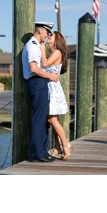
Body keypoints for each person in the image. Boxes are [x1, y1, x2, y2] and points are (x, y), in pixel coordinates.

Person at [21, 21, 58, 162]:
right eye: (47, 33)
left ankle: (42, 151)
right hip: (36, 82)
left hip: (39, 82)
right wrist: (51, 76)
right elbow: (33, 68)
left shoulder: (36, 46)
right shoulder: (32, 46)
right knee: (39, 119)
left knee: (42, 119)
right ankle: (37, 154)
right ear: (41, 31)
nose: (48, 36)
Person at [40, 30, 72, 160]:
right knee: (54, 120)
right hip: (51, 87)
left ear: (57, 40)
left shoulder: (57, 52)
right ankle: (57, 147)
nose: (48, 37)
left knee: (51, 119)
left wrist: (41, 48)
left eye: (51, 36)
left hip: (53, 89)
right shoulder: (53, 53)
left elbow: (45, 64)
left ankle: (65, 145)